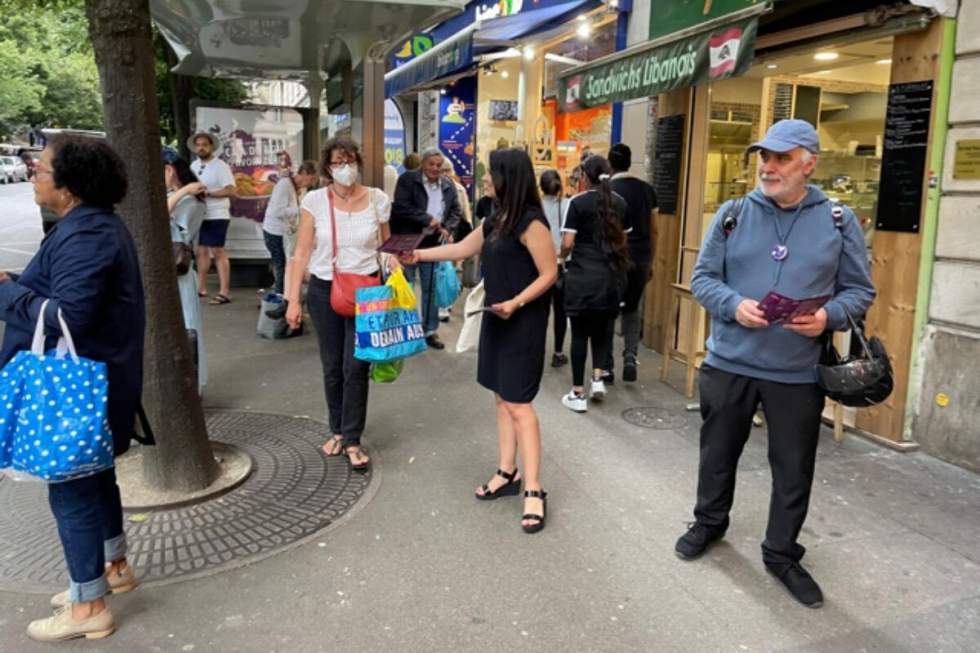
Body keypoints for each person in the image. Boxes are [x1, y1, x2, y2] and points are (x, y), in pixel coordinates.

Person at [675, 119, 875, 608]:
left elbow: (860, 292)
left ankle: (782, 552)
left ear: (810, 163)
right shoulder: (733, 213)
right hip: (730, 362)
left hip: (796, 373)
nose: (769, 166)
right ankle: (709, 523)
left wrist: (829, 316)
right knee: (716, 454)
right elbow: (702, 278)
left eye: (782, 158)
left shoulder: (836, 219)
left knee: (793, 468)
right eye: (765, 156)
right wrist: (732, 304)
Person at [0, 136, 145, 641]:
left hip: (76, 390)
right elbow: (63, 290)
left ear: (70, 186)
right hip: (97, 381)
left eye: (41, 169)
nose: (34, 176)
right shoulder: (91, 227)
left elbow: (67, 317)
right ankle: (113, 568)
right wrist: (17, 280)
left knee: (73, 492)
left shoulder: (87, 236)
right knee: (96, 478)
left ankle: (88, 608)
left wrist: (5, 292)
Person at [399, 148, 557, 533]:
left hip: (521, 320)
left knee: (519, 404)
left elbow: (549, 273)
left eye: (491, 173)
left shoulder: (531, 222)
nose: (484, 178)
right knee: (501, 398)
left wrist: (517, 303)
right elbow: (462, 248)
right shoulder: (496, 217)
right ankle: (507, 471)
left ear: (509, 177)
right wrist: (417, 255)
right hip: (496, 317)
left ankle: (534, 489)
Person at [285, 137, 394, 472]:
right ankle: (336, 428)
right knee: (332, 366)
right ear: (327, 167)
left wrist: (395, 261)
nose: (345, 167)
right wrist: (293, 300)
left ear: (358, 161)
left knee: (356, 367)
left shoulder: (377, 199)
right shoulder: (315, 201)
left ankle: (352, 437)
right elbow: (301, 252)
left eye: (349, 160)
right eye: (337, 162)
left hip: (366, 290)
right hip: (324, 290)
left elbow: (385, 244)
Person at [559, 155, 631, 413]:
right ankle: (598, 378)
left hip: (582, 276)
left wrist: (561, 257)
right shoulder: (621, 203)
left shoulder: (576, 203)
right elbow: (624, 241)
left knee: (579, 334)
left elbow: (567, 243)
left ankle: (578, 394)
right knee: (603, 329)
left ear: (585, 176)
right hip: (612, 276)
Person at [390, 147, 463, 349]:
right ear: (423, 164)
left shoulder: (448, 185)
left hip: (433, 244)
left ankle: (429, 330)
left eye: (439, 165)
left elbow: (456, 210)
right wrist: (426, 219)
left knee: (431, 288)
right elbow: (400, 208)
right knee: (406, 286)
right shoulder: (407, 181)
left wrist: (448, 229)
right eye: (431, 164)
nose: (435, 168)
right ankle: (404, 329)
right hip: (408, 241)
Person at [607, 143, 658, 382]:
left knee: (608, 309)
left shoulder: (608, 190)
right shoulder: (648, 190)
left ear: (610, 163)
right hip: (642, 256)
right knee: (632, 307)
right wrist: (652, 260)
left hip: (615, 258)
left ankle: (605, 363)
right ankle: (630, 355)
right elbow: (654, 229)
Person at [163, 149, 208, 390]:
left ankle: (192, 383)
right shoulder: (180, 196)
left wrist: (182, 191)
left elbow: (161, 217)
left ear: (169, 170)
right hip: (171, 271)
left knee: (187, 325)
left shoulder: (190, 201)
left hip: (180, 271)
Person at [189, 132, 236, 305]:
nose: (201, 147)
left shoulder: (220, 166)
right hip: (199, 214)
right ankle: (201, 288)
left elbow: (231, 190)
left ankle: (224, 292)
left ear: (212, 147)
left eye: (204, 145)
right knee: (201, 251)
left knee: (217, 251)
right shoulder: (194, 165)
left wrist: (209, 193)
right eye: (198, 145)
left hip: (217, 214)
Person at [262, 156, 319, 297]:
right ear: (304, 173)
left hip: (286, 233)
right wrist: (303, 212)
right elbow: (278, 211)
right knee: (281, 265)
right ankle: (280, 297)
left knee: (285, 265)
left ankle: (282, 295)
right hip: (275, 231)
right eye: (312, 179)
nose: (312, 183)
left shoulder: (299, 189)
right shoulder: (284, 185)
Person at [539, 170, 570, 368]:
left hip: (538, 265)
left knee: (539, 312)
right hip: (560, 265)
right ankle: (558, 352)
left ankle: (536, 351)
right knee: (560, 311)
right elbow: (569, 239)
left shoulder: (535, 207)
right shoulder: (567, 205)